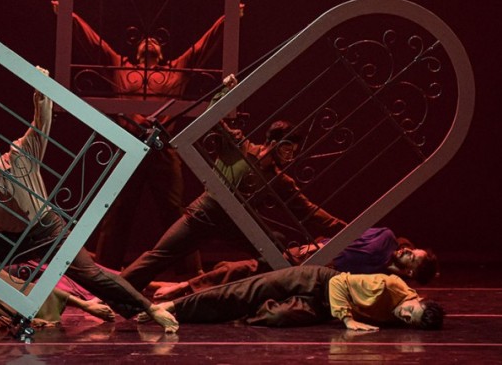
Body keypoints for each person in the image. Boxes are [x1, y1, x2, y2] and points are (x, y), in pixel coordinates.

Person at [0, 66, 178, 333]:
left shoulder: (19, 158)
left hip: (49, 228)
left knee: (90, 274)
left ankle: (149, 308)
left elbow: (40, 124)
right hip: (14, 238)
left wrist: (41, 91)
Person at [119, 75, 347, 292]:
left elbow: (310, 211)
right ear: (275, 142)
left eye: (294, 152)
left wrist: (347, 230)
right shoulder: (239, 146)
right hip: (205, 212)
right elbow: (212, 119)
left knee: (276, 247)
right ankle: (113, 291)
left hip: (236, 223)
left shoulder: (278, 180)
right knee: (160, 255)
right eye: (288, 149)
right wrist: (223, 92)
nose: (290, 157)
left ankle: (237, 288)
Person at [54, 0, 235, 271]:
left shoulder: (174, 70)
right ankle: (105, 272)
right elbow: (95, 44)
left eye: (154, 40)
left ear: (161, 52)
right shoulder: (122, 67)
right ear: (137, 51)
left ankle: (192, 272)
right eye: (144, 40)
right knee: (117, 210)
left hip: (163, 148)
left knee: (175, 212)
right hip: (130, 146)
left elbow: (203, 46)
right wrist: (68, 15)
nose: (149, 41)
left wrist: (229, 18)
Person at [152, 227, 439, 300]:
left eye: (414, 257)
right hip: (307, 258)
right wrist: (310, 248)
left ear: (412, 271)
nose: (408, 252)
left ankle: (182, 286)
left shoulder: (386, 280)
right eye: (412, 250)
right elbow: (344, 234)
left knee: (246, 282)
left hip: (311, 280)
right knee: (247, 269)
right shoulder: (385, 238)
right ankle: (181, 287)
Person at [147, 265, 445, 331]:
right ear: (416, 298)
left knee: (276, 317)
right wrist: (348, 319)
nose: (404, 316)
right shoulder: (388, 286)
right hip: (318, 281)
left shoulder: (401, 316)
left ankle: (229, 312)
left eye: (410, 321)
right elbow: (341, 282)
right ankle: (171, 307)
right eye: (410, 311)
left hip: (322, 307)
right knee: (244, 291)